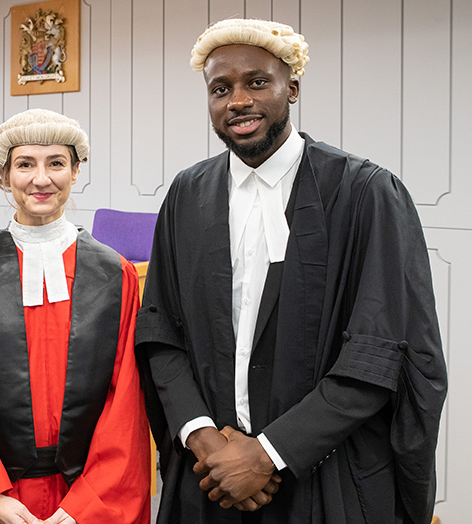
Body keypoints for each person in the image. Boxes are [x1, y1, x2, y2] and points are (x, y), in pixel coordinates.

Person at [136, 18, 447, 524]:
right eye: (221, 88)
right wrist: (202, 436)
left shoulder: (365, 193)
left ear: (292, 88)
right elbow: (161, 332)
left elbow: (382, 350)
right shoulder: (186, 195)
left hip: (325, 478)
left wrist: (269, 453)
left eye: (257, 82)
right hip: (209, 477)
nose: (237, 100)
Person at [0, 108, 151, 524]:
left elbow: (125, 404)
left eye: (56, 163)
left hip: (87, 498)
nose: (42, 179)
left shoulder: (116, 273)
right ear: (4, 175)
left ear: (76, 172)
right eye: (25, 164)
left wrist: (83, 508)